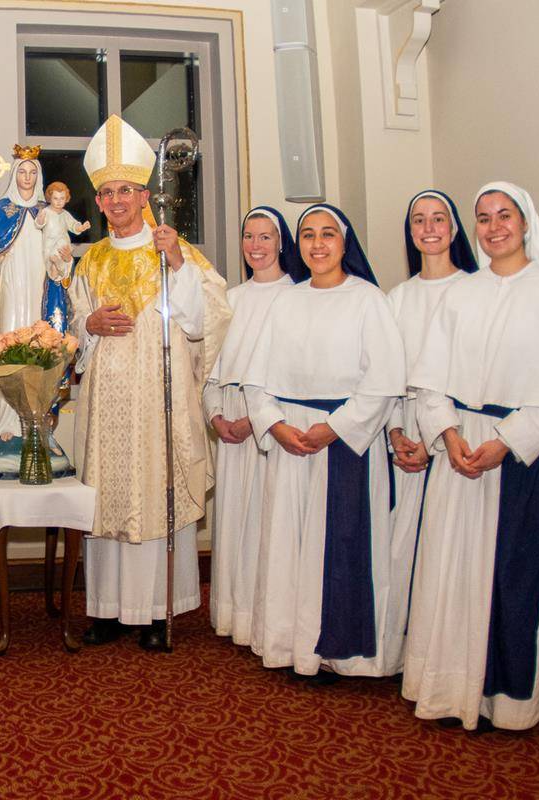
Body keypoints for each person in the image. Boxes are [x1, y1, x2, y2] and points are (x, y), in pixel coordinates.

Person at [404, 182, 539, 731]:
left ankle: (507, 699)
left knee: (508, 574)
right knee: (451, 570)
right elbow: (428, 382)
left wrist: (503, 443)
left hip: (520, 456)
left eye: (505, 216)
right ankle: (448, 689)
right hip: (458, 450)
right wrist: (447, 435)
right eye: (485, 218)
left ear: (524, 222)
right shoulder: (460, 294)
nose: (494, 227)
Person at [68, 115, 230, 651]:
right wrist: (88, 326)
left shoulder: (174, 251)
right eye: (107, 192)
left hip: (156, 399)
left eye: (126, 191)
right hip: (103, 402)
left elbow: (204, 319)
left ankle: (159, 612)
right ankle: (108, 610)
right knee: (105, 497)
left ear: (144, 196)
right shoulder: (88, 259)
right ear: (98, 201)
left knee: (154, 492)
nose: (116, 201)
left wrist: (178, 261)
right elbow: (73, 326)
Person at [243, 204, 405, 679]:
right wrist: (275, 424)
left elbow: (383, 381)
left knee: (341, 542)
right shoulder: (286, 302)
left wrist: (333, 427)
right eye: (308, 235)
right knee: (288, 542)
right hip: (291, 437)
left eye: (328, 234)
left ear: (344, 242)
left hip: (344, 440)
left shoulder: (369, 300)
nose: (317, 244)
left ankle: (341, 652)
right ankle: (288, 642)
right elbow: (255, 380)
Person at [380, 190, 478, 674]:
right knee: (403, 550)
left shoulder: (477, 292)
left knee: (451, 557)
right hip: (406, 440)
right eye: (419, 220)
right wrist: (398, 435)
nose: (429, 227)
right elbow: (388, 378)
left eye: (439, 218)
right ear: (411, 232)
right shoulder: (399, 298)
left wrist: (438, 440)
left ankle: (448, 663)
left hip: (460, 438)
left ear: (455, 228)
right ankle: (404, 657)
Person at [203, 206, 304, 645]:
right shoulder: (232, 298)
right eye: (249, 236)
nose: (256, 245)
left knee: (268, 524)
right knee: (234, 521)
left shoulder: (299, 296)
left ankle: (269, 620)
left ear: (282, 243)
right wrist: (216, 415)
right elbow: (210, 368)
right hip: (230, 417)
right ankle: (235, 615)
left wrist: (254, 418)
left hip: (273, 422)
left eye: (266, 237)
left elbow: (297, 372)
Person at [0, 147, 71, 455]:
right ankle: (5, 425)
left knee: (40, 349)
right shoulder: (2, 210)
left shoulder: (49, 212)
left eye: (32, 172)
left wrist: (63, 261)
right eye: (22, 171)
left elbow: (57, 256)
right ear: (14, 174)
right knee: (7, 349)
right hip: (10, 290)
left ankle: (37, 424)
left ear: (39, 176)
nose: (27, 178)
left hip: (39, 292)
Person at [35, 180, 89, 282]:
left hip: (63, 243)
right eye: (55, 198)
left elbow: (73, 225)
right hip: (50, 243)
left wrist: (81, 227)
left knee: (63, 258)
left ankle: (58, 268)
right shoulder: (46, 212)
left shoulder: (65, 214)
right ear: (50, 198)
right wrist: (40, 220)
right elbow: (38, 225)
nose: (59, 201)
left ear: (66, 199)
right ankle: (54, 269)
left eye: (62, 198)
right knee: (51, 258)